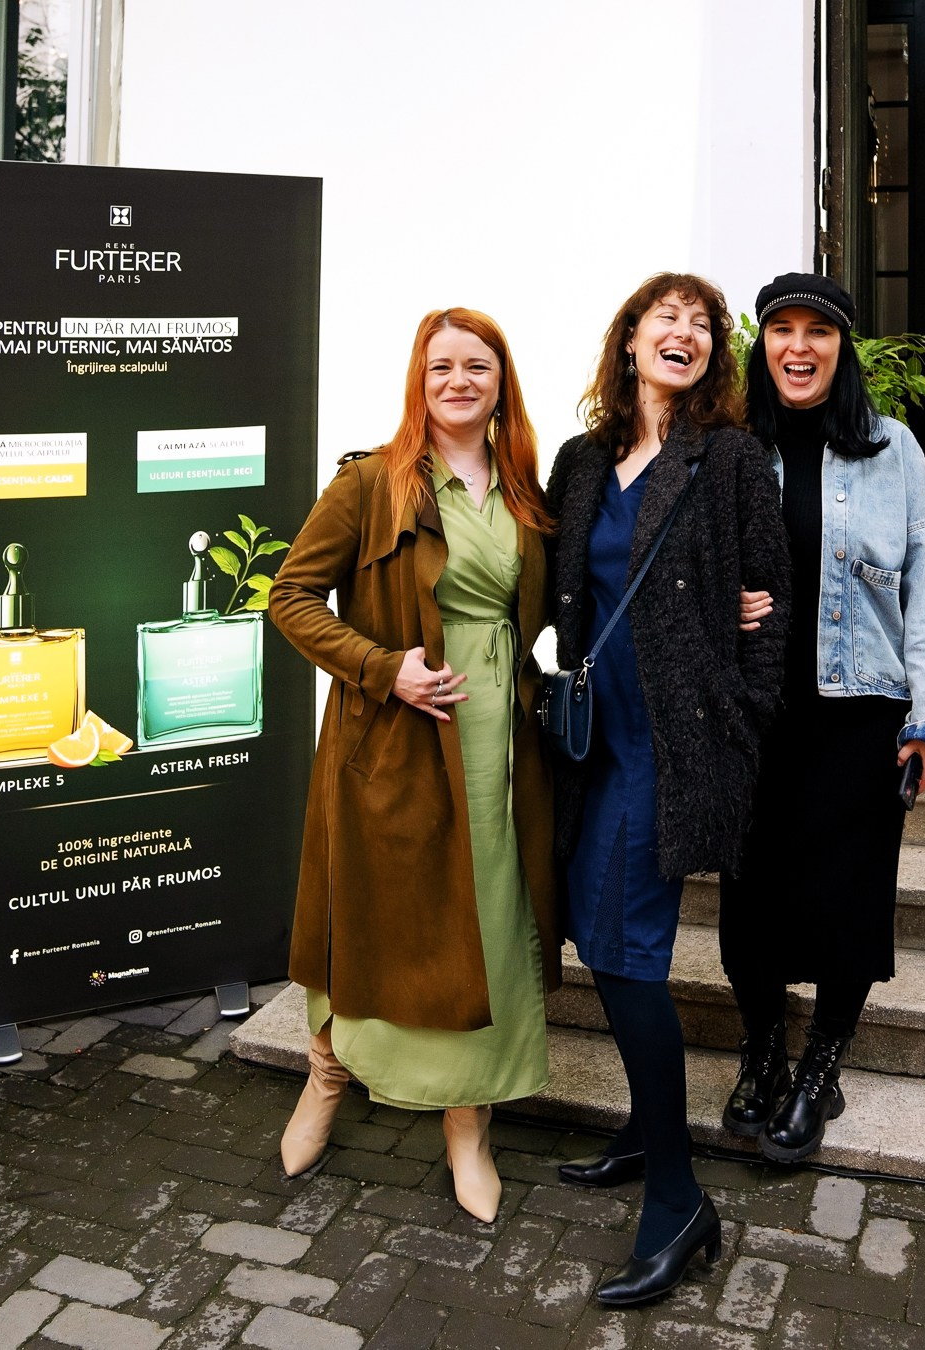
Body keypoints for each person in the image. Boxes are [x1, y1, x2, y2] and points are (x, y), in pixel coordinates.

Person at [267, 307, 561, 1225]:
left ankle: (467, 1124)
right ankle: (326, 1074)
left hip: (499, 740)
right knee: (377, 915)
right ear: (418, 381)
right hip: (395, 739)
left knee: (488, 920)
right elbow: (290, 596)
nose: (458, 381)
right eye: (441, 367)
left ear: (501, 384)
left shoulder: (525, 491)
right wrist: (379, 666)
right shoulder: (371, 482)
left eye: (477, 366)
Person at [546, 273, 791, 1305]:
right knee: (598, 941)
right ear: (631, 340)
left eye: (701, 323)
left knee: (628, 952)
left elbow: (770, 598)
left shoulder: (728, 457)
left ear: (710, 353)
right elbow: (556, 586)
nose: (684, 331)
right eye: (667, 317)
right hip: (595, 744)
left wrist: (744, 708)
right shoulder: (582, 460)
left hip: (674, 746)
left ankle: (679, 1201)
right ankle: (650, 1134)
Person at [721, 272, 925, 1164]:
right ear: (762, 346)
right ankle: (762, 1051)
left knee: (849, 896)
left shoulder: (892, 448)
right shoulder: (730, 447)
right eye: (782, 330)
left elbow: (924, 585)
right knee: (750, 895)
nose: (798, 348)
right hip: (754, 713)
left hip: (860, 712)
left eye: (818, 332)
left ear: (842, 348)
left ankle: (820, 1066)